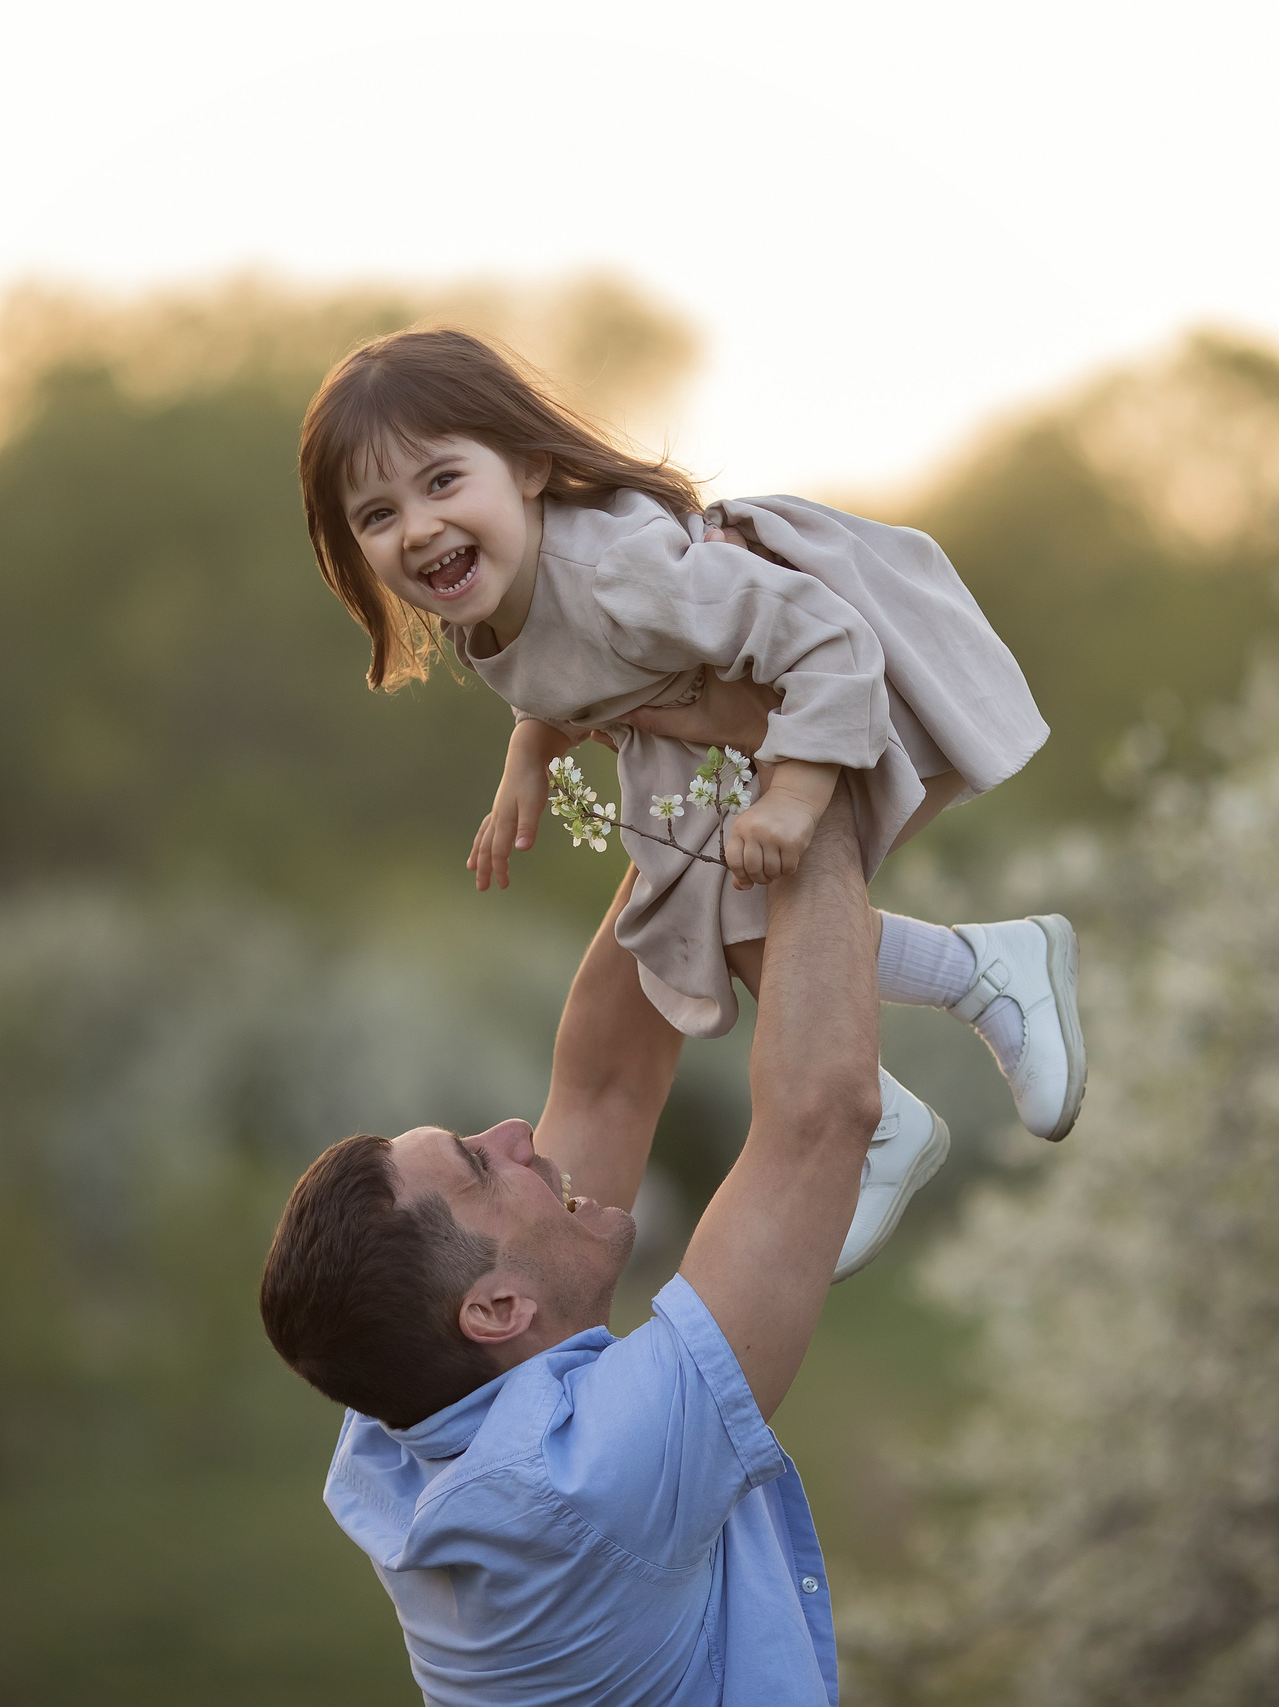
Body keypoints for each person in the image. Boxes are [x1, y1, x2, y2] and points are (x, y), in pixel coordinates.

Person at [296, 328, 1086, 1269]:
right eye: (377, 514)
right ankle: (975, 985)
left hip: (837, 665)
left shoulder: (624, 575)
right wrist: (525, 761)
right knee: (715, 915)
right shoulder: (486, 606)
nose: (417, 527)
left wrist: (795, 791)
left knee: (739, 902)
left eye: (441, 482)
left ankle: (914, 1063)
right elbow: (560, 679)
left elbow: (826, 639)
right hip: (727, 728)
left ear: (530, 468)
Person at [263, 768, 892, 1705]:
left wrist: (686, 782)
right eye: (482, 1166)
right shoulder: (588, 1486)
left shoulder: (415, 1392)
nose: (518, 1135)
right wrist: (808, 767)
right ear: (497, 1308)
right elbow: (826, 1114)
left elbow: (609, 1082)